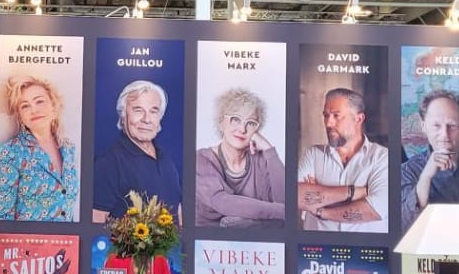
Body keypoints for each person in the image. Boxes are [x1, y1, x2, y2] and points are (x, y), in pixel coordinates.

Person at [398, 88, 459, 238]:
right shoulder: (407, 171)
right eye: (436, 125)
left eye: (452, 126)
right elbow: (403, 227)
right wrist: (425, 178)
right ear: (424, 126)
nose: (444, 135)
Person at [296, 87, 390, 232]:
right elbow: (296, 196)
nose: (328, 123)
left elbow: (376, 209)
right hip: (317, 244)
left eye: (336, 115)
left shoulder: (382, 157)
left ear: (358, 119)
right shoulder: (313, 154)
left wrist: (321, 211)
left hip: (365, 245)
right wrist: (354, 192)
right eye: (326, 115)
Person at [0, 74, 79, 221]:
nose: (34, 110)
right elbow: (1, 217)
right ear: (20, 116)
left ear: (53, 106)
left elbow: (67, 207)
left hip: (67, 236)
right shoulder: (10, 152)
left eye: (39, 101)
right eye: (25, 106)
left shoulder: (68, 148)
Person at [91, 79, 182, 221]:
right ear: (123, 115)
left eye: (153, 111)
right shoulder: (107, 164)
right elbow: (95, 222)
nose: (147, 119)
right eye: (138, 110)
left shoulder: (166, 158)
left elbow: (177, 209)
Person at [194, 86, 283, 228]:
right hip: (209, 240)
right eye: (235, 119)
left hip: (257, 240)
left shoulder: (262, 160)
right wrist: (281, 213)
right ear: (221, 122)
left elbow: (285, 200)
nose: (242, 129)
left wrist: (269, 150)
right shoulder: (201, 159)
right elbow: (222, 202)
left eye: (251, 123)